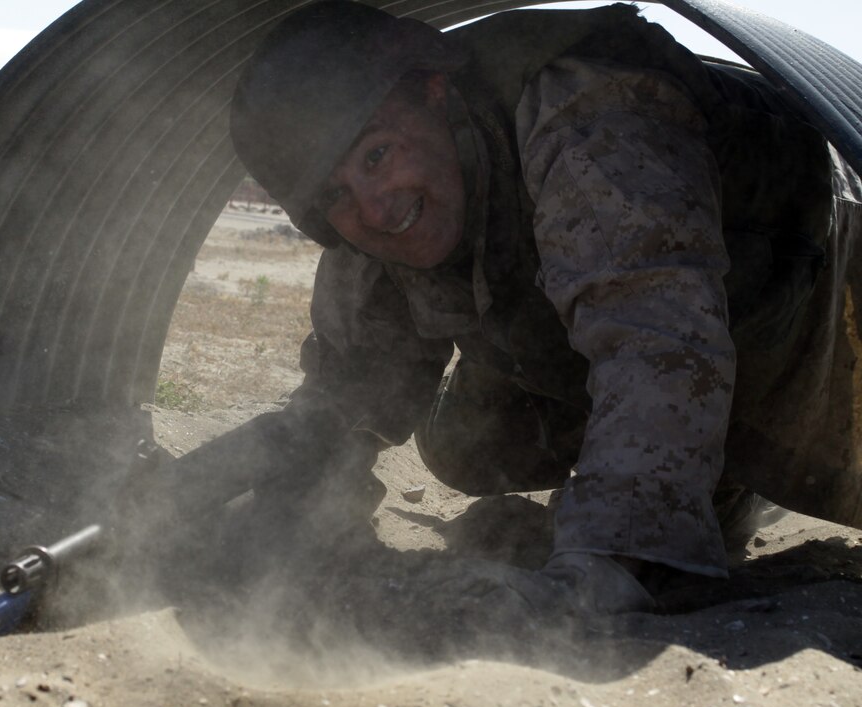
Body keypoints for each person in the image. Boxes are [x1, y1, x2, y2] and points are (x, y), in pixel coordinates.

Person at [215, 1, 862, 615]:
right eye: (335, 194)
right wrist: (275, 511)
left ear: (434, 90)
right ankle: (689, 478)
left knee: (812, 481)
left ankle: (709, 476)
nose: (377, 208)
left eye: (378, 154)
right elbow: (345, 397)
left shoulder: (589, 116)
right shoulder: (373, 218)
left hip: (816, 314)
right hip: (629, 337)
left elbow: (654, 337)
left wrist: (598, 568)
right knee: (466, 442)